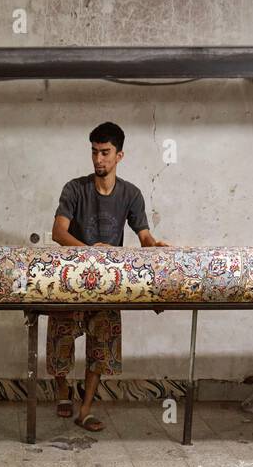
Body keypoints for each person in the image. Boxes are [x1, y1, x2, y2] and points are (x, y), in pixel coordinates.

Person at [49, 122, 168, 432]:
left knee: (101, 347)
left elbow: (143, 235)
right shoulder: (75, 188)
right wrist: (91, 252)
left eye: (105, 152)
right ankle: (62, 391)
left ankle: (85, 409)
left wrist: (155, 245)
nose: (98, 159)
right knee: (60, 342)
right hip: (71, 280)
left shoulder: (131, 194)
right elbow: (58, 232)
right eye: (94, 152)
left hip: (107, 285)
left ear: (119, 155)